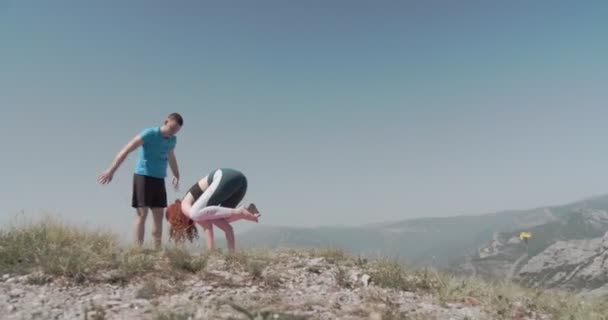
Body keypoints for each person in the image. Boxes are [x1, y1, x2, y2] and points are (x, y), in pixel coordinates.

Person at [97, 112, 183, 249]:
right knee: (142, 213)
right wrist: (111, 170)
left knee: (159, 214)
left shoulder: (172, 140)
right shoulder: (149, 133)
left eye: (176, 131)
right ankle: (138, 251)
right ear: (166, 121)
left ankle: (157, 249)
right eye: (171, 128)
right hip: (143, 176)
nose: (172, 132)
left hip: (159, 179)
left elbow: (171, 156)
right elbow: (127, 149)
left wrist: (176, 174)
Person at [165, 167, 261, 252]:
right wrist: (211, 252)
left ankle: (239, 211)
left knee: (196, 214)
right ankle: (232, 253)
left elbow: (203, 222)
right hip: (240, 182)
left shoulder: (184, 205)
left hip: (224, 177)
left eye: (177, 224)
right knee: (221, 219)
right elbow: (209, 226)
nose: (182, 227)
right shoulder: (200, 212)